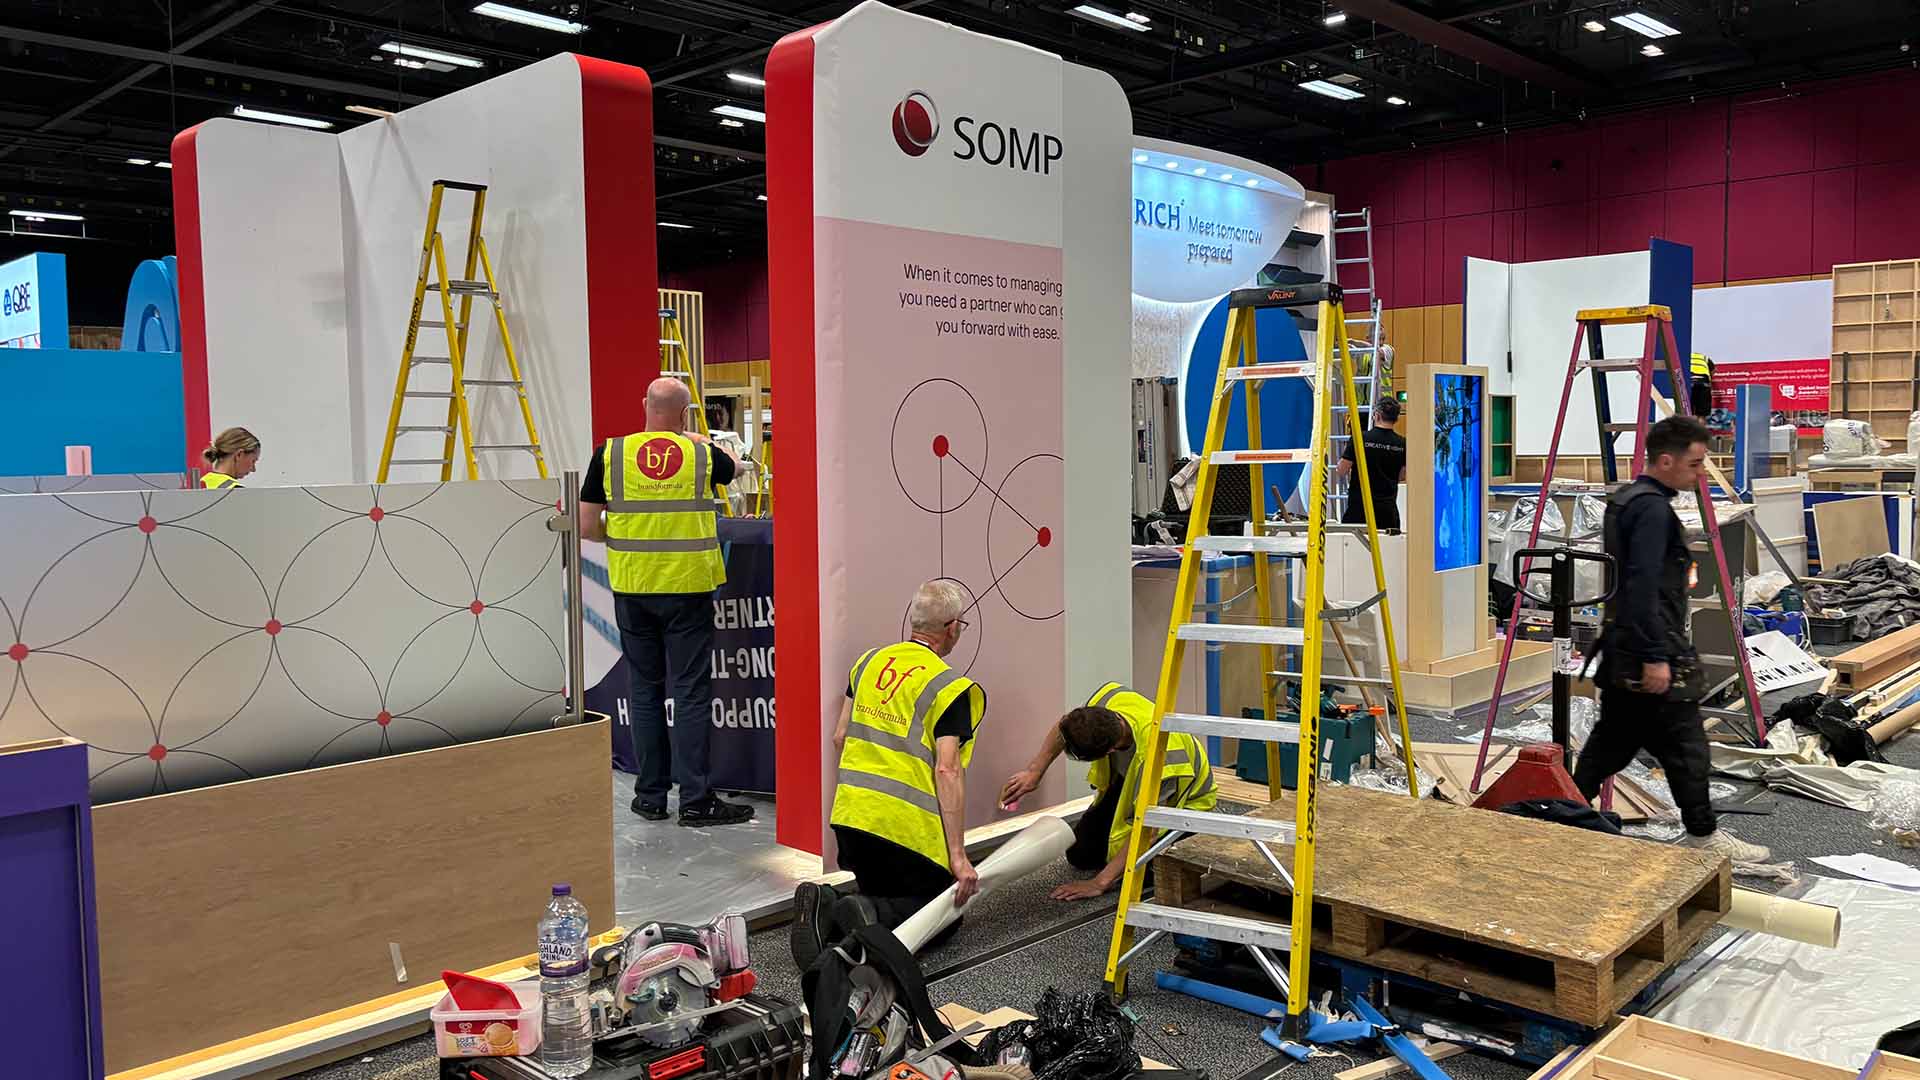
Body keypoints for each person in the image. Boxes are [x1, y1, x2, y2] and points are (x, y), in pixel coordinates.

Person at [1577, 415, 1769, 862]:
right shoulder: (1650, 509)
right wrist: (1656, 656)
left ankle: (1558, 816)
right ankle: (1703, 835)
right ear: (1666, 460)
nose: (1701, 473)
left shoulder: (1627, 500)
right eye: (1696, 464)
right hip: (1648, 647)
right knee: (1686, 747)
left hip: (1626, 646)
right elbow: (1642, 584)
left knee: (1610, 745)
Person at [577, 376, 752, 827]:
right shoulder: (699, 453)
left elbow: (587, 525)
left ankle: (650, 797)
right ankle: (695, 800)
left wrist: (624, 542)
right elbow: (735, 466)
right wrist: (693, 436)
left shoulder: (610, 455)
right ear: (685, 413)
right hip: (688, 590)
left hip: (634, 589)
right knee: (690, 693)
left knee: (645, 691)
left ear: (644, 405)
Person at [820, 579, 986, 932]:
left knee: (880, 894)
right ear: (952, 628)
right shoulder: (948, 687)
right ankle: (868, 916)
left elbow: (839, 738)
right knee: (942, 918)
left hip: (852, 823)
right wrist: (958, 857)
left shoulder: (868, 662)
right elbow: (947, 770)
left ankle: (830, 911)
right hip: (904, 834)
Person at [1000, 683, 1216, 900]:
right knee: (1080, 855)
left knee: (1141, 877)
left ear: (1110, 751)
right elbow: (1063, 727)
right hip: (1131, 784)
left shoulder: (1161, 757)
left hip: (1183, 806)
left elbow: (1148, 831)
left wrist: (1099, 883)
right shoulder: (1105, 703)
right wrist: (1034, 772)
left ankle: (1183, 843)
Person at [1336, 398, 1407, 529]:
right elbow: (1402, 476)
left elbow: (1342, 470)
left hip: (1360, 510)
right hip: (1388, 512)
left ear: (1377, 415)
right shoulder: (1402, 443)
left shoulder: (1360, 438)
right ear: (1396, 419)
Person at [1688, 352, 1714, 419]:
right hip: (1703, 384)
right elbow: (1713, 370)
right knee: (1702, 415)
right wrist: (1710, 379)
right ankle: (1700, 429)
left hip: (1690, 383)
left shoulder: (1685, 356)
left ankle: (1689, 428)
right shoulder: (1703, 357)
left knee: (1689, 412)